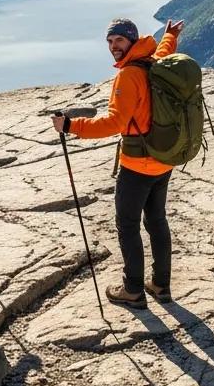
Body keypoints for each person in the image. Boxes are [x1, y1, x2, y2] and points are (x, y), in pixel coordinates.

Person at [52, 17, 185, 308]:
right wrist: (171, 35)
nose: (114, 47)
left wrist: (72, 126)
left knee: (127, 225)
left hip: (137, 164)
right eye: (110, 42)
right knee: (157, 221)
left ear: (131, 41)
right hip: (163, 159)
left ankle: (133, 289)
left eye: (119, 41)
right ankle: (161, 285)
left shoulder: (128, 76)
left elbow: (115, 122)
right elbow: (164, 50)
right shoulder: (152, 62)